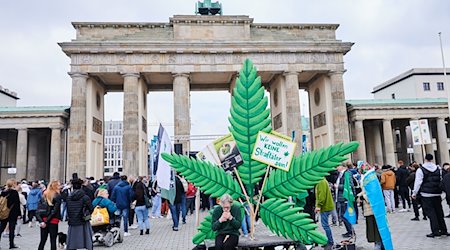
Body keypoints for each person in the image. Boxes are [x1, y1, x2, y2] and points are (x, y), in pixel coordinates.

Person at [412, 154, 449, 237]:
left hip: (426, 194)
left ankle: (435, 231)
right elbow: (441, 180)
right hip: (437, 193)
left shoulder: (421, 170)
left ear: (425, 159)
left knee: (431, 213)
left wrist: (414, 193)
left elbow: (418, 182)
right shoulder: (438, 168)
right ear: (432, 159)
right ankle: (444, 230)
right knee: (439, 212)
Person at [66, 174, 94, 250]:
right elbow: (91, 209)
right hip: (83, 220)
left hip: (72, 221)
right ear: (81, 186)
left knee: (72, 242)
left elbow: (68, 210)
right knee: (86, 241)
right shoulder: (85, 197)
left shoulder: (69, 197)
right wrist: (88, 216)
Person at [37, 180, 62, 250]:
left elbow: (38, 210)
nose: (60, 187)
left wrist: (42, 221)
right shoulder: (57, 196)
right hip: (53, 220)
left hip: (43, 219)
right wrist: (47, 221)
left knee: (42, 240)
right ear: (55, 186)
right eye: (59, 185)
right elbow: (54, 211)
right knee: (53, 240)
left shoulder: (44, 194)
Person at [315, 178, 336, 250]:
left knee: (325, 225)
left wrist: (318, 206)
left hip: (325, 207)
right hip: (326, 206)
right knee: (325, 225)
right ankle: (329, 241)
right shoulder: (322, 180)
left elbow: (322, 195)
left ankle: (330, 242)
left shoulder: (321, 182)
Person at [335, 163, 355, 238]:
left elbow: (349, 185)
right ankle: (349, 230)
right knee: (342, 215)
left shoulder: (347, 174)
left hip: (344, 198)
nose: (337, 167)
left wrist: (338, 186)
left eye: (338, 166)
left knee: (344, 215)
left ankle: (350, 231)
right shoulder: (340, 174)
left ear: (343, 167)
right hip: (340, 197)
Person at [0, 179, 21, 249]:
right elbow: (17, 204)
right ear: (13, 184)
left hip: (4, 212)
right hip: (13, 213)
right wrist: (19, 214)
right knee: (12, 229)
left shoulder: (3, 192)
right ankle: (11, 244)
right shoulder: (14, 192)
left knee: (1, 228)